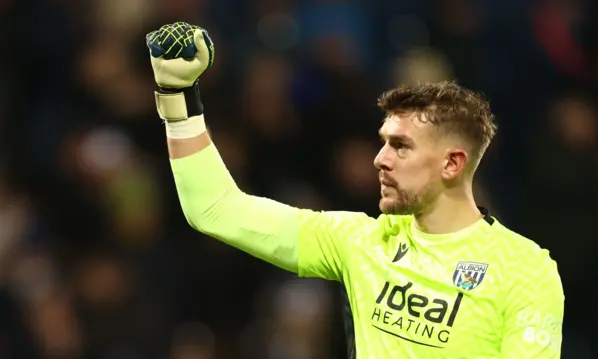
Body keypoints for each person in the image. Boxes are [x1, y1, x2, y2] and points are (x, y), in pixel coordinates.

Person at [146, 22, 564, 359]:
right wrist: (178, 98)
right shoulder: (360, 243)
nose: (380, 159)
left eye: (400, 146)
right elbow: (216, 208)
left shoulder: (525, 270)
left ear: (452, 163)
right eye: (383, 142)